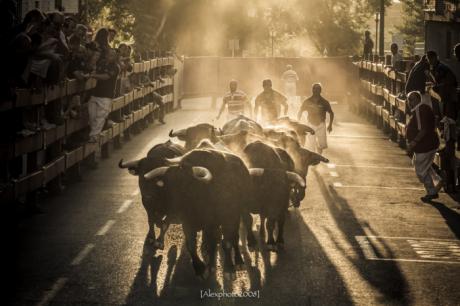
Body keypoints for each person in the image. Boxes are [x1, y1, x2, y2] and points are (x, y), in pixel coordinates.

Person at [426, 50, 458, 192]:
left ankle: (450, 180)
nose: (429, 61)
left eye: (430, 58)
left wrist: (434, 88)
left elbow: (446, 84)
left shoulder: (441, 69)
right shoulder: (437, 68)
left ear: (434, 58)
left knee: (450, 130)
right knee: (447, 130)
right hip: (448, 99)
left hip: (450, 100)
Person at [406, 91, 443, 202]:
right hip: (427, 144)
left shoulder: (420, 110)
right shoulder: (422, 109)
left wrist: (413, 143)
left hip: (425, 145)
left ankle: (432, 191)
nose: (409, 102)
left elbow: (423, 129)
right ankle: (437, 180)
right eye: (408, 100)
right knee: (421, 165)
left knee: (420, 170)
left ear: (418, 99)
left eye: (411, 99)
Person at [87, 48, 120, 142]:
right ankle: (96, 133)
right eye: (109, 55)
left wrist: (93, 76)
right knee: (92, 116)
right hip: (96, 93)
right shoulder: (101, 63)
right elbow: (94, 70)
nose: (111, 57)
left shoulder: (116, 67)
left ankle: (93, 136)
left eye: (113, 55)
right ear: (106, 55)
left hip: (107, 96)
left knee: (101, 117)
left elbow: (106, 77)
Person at [297, 83, 334, 154]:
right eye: (314, 89)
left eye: (318, 89)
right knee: (311, 145)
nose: (316, 90)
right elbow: (300, 111)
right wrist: (298, 123)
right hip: (310, 125)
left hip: (321, 125)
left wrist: (330, 125)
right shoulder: (307, 101)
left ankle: (319, 156)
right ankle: (313, 159)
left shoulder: (324, 102)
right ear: (312, 90)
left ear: (320, 90)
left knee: (321, 145)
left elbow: (331, 113)